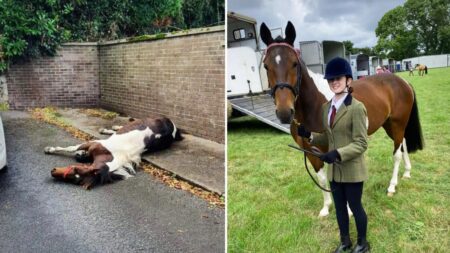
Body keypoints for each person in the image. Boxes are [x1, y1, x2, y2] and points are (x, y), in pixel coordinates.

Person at [297, 57, 370, 253]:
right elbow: (327, 138)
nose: (334, 82)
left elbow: (362, 143)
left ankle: (363, 243)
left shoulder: (357, 108)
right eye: (331, 79)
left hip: (352, 169)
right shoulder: (326, 108)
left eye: (338, 78)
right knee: (339, 208)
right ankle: (345, 241)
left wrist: (337, 154)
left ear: (348, 80)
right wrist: (310, 136)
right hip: (335, 172)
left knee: (355, 206)